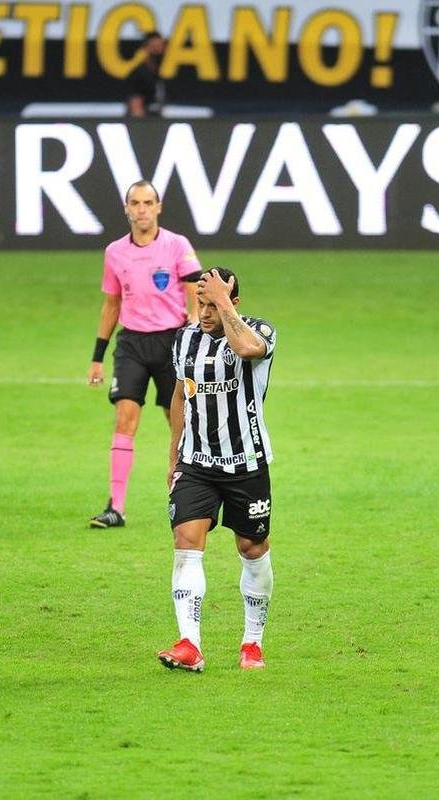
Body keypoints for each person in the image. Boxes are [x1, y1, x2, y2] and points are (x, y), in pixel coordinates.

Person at [158, 268, 277, 672]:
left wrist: (224, 303)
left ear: (232, 303)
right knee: (186, 542)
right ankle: (190, 644)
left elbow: (246, 350)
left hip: (246, 464)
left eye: (213, 304)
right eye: (201, 303)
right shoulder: (184, 340)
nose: (205, 313)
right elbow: (179, 394)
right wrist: (173, 453)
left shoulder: (259, 331)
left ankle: (252, 643)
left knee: (252, 548)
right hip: (197, 464)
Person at [87, 180, 200, 528]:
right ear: (126, 208)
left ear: (159, 207)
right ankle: (116, 507)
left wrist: (194, 326)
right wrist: (97, 356)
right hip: (132, 343)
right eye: (135, 203)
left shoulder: (177, 245)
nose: (142, 209)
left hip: (171, 342)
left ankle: (189, 496)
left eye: (148, 202)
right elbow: (111, 303)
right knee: (125, 418)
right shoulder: (114, 253)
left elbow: (194, 286)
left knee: (178, 422)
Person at [126, 32, 166, 118]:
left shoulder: (157, 74)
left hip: (156, 123)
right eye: (154, 47)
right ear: (145, 48)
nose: (158, 51)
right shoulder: (139, 74)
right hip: (143, 125)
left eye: (160, 47)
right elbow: (136, 110)